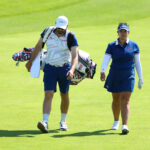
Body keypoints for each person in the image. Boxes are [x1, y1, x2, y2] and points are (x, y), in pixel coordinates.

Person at [26, 16, 78, 133]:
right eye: (59, 27)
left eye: (63, 28)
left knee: (64, 94)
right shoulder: (48, 31)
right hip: (50, 68)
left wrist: (72, 70)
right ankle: (45, 122)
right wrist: (30, 61)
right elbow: (38, 46)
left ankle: (63, 121)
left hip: (65, 68)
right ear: (55, 24)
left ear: (67, 26)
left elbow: (75, 56)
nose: (60, 30)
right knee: (48, 94)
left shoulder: (71, 36)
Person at [100, 23, 143, 134]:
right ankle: (116, 121)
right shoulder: (111, 45)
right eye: (121, 31)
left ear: (128, 33)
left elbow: (137, 63)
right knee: (116, 100)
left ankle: (124, 125)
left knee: (125, 99)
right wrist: (102, 71)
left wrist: (140, 77)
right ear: (118, 33)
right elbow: (106, 59)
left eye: (125, 31)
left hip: (128, 76)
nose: (123, 33)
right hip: (115, 74)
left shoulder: (133, 45)